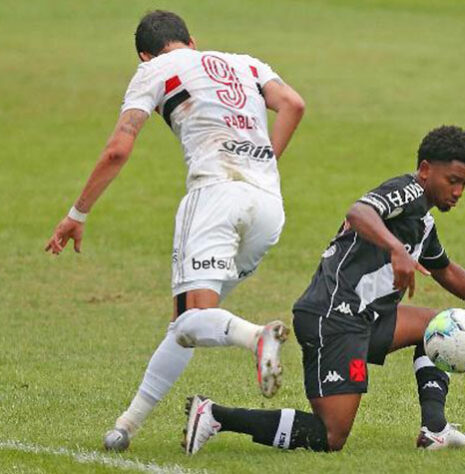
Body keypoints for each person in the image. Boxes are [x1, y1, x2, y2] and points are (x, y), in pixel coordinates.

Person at [181, 125, 465, 454]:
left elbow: (447, 271)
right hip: (334, 317)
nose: (458, 191)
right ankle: (214, 415)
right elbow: (360, 211)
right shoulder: (406, 191)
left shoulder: (422, 220)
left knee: (441, 325)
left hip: (367, 318)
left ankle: (435, 430)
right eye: (452, 180)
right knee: (331, 436)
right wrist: (396, 250)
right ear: (425, 170)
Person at [43, 10, 306, 452]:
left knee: (192, 318)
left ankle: (256, 336)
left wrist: (77, 214)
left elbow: (117, 149)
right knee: (187, 325)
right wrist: (264, 162)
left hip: (214, 198)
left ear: (144, 54)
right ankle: (126, 425)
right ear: (192, 39)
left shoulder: (153, 69)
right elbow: (294, 104)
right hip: (268, 206)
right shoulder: (246, 63)